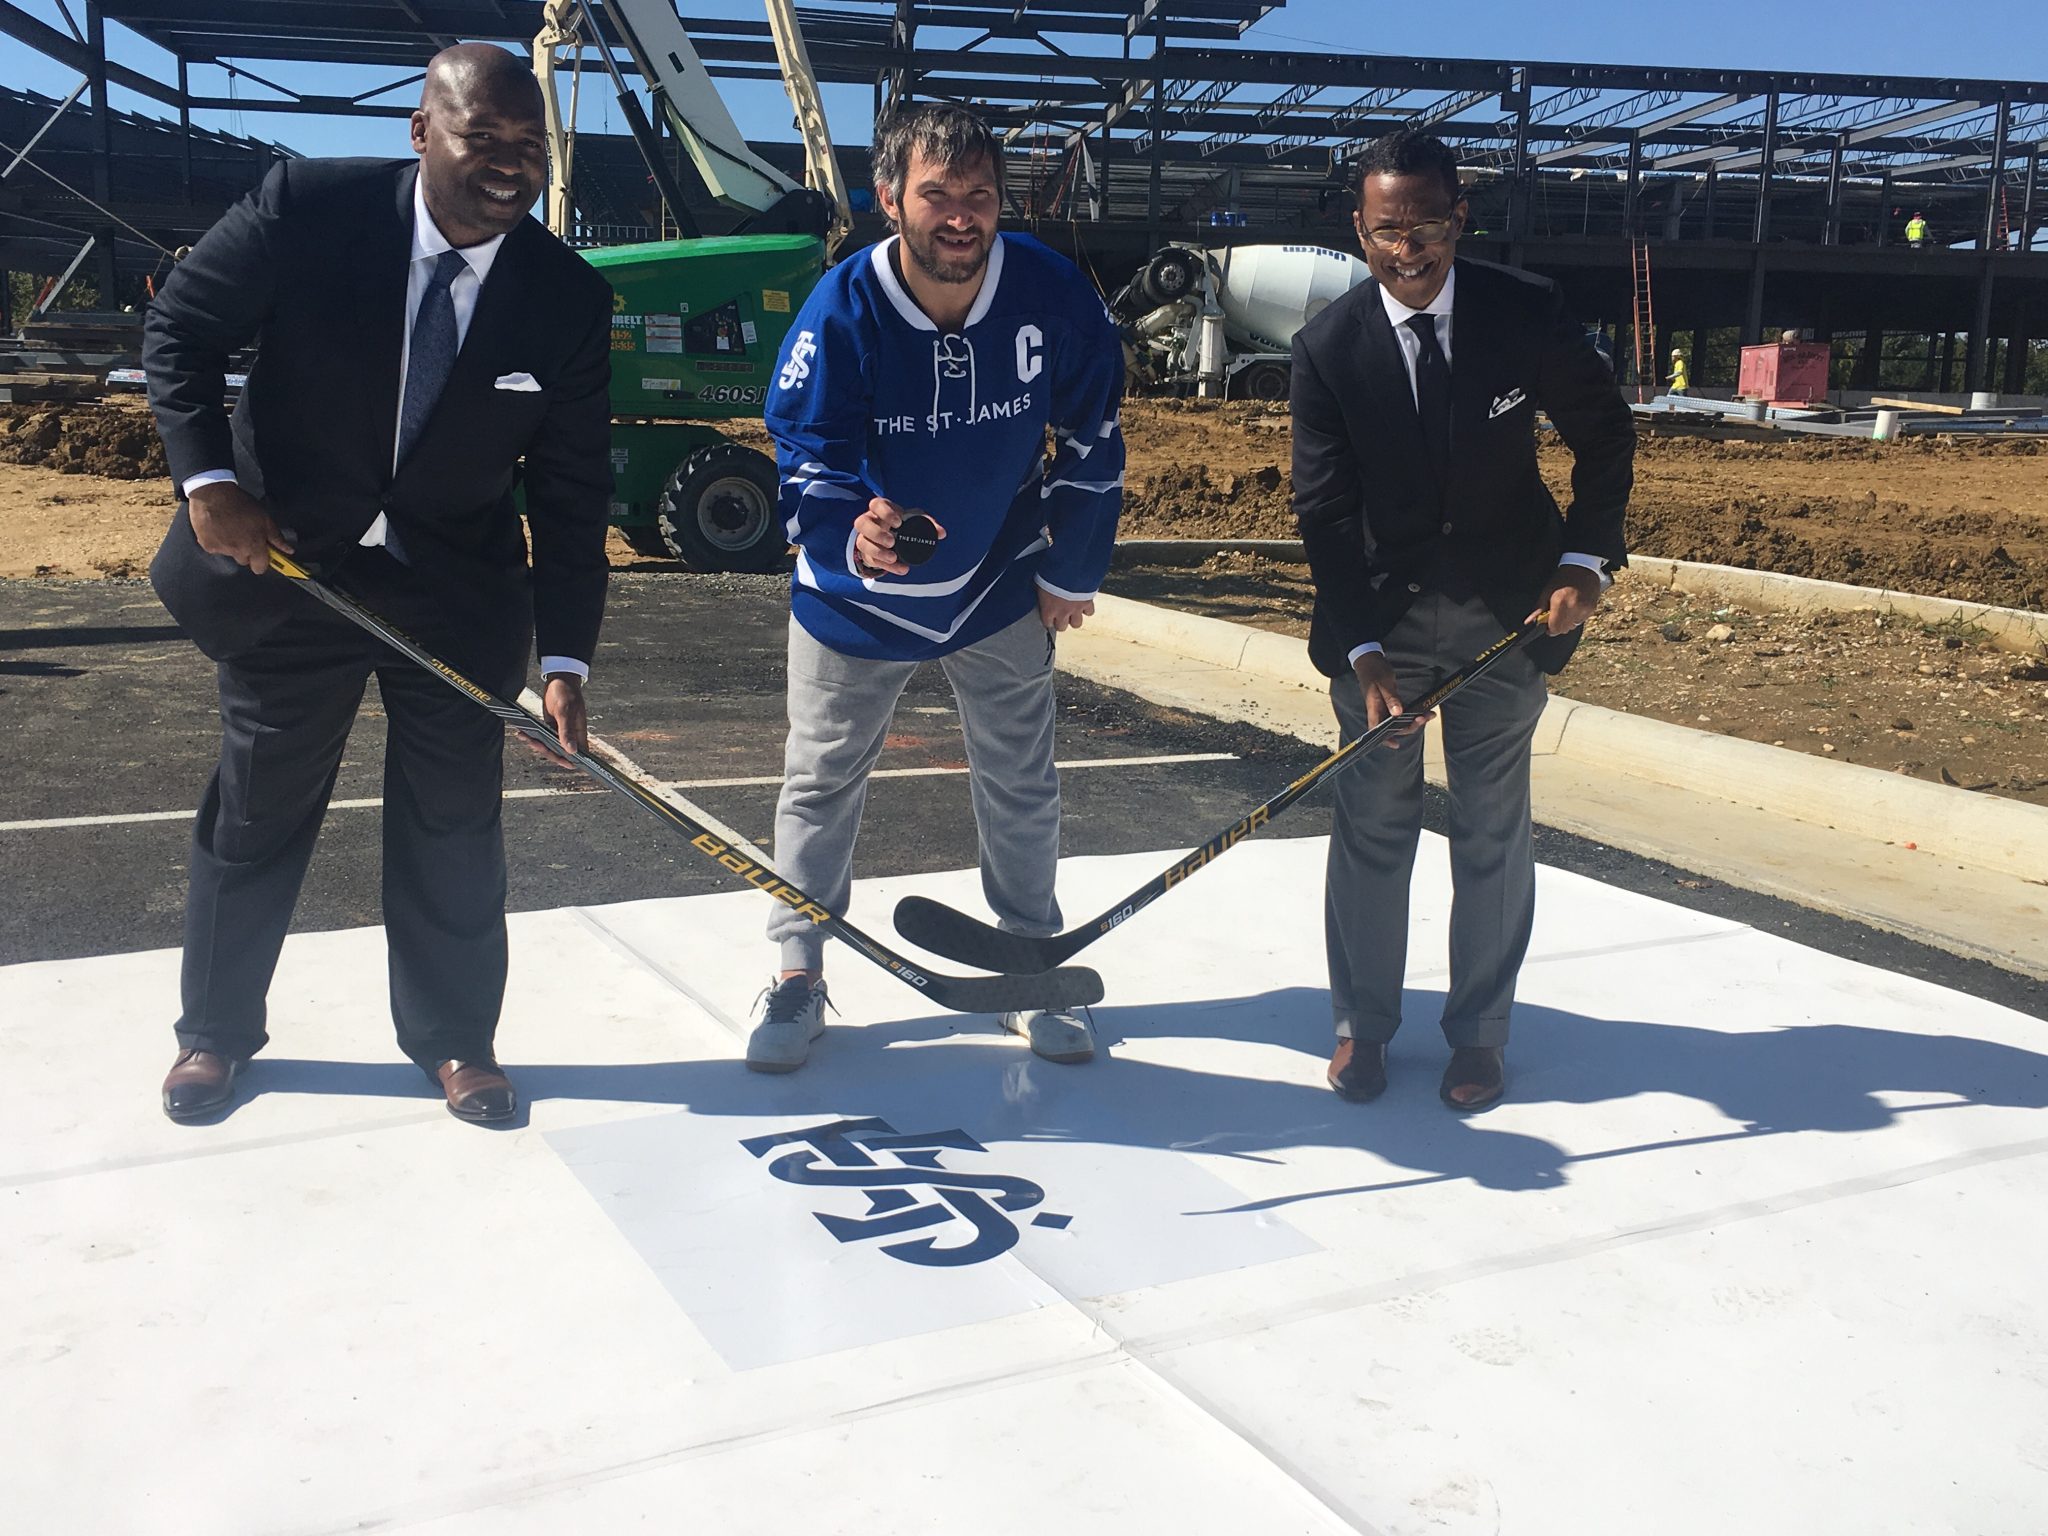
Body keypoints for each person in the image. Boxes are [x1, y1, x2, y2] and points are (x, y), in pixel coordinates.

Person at [144, 45, 614, 1124]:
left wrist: (565, 659)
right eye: (481, 138)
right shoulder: (304, 208)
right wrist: (208, 482)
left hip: (455, 591)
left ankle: (455, 1041)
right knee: (258, 809)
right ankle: (213, 1033)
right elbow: (181, 328)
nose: (508, 166)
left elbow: (574, 493)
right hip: (288, 567)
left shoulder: (566, 298)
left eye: (529, 148)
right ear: (419, 132)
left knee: (454, 824)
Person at [750, 102, 1124, 1073]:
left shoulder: (1045, 290)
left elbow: (1093, 434)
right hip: (852, 606)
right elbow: (804, 455)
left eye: (978, 196)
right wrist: (847, 533)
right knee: (820, 780)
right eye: (935, 195)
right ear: (888, 200)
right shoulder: (843, 307)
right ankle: (796, 974)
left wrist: (1070, 567)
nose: (958, 216)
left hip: (996, 581)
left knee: (1019, 781)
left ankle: (1029, 960)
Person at [1290, 128, 1634, 1112]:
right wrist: (1360, 656)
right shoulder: (1324, 351)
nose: (1410, 249)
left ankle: (1477, 1036)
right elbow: (1321, 510)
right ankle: (1362, 1028)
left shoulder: (1519, 314)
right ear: (1358, 230)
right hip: (1380, 621)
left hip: (1507, 614)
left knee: (1490, 828)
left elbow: (1604, 436)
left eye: (1428, 225)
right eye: (1388, 229)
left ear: (1458, 218)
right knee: (1370, 825)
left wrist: (1582, 560)